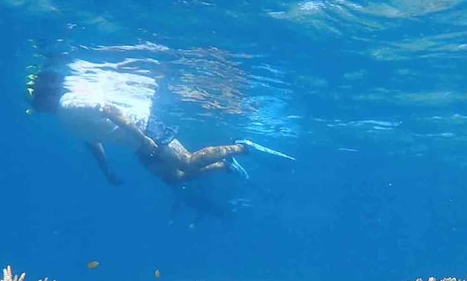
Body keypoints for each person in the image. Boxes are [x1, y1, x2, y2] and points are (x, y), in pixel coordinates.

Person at [26, 58, 294, 186]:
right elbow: (92, 139)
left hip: (144, 128)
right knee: (173, 178)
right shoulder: (64, 116)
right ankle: (224, 165)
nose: (36, 108)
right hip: (137, 142)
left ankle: (243, 147)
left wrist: (143, 138)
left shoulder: (69, 103)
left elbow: (109, 109)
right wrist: (106, 171)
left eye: (35, 101)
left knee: (187, 162)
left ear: (45, 95)